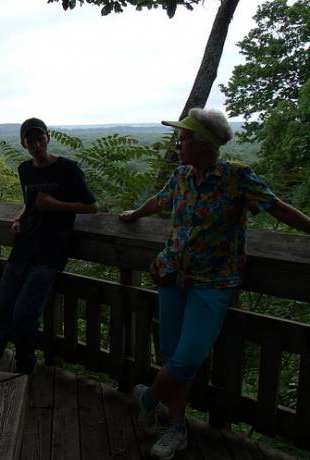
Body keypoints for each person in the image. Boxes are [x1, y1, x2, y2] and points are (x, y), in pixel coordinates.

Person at [119, 108, 310, 460]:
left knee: (189, 356)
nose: (179, 143)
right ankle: (176, 429)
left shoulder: (237, 177)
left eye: (185, 137)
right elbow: (160, 201)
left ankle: (147, 398)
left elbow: (276, 207)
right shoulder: (180, 176)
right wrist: (134, 214)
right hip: (172, 274)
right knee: (173, 355)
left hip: (214, 281)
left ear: (205, 144)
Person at [0, 117, 98, 375]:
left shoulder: (68, 169)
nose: (36, 144)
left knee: (24, 315)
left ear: (48, 138)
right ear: (24, 144)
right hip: (23, 247)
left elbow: (91, 206)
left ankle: (25, 366)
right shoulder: (25, 170)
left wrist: (56, 205)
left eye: (40, 139)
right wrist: (19, 219)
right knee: (1, 309)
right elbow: (30, 203)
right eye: (30, 141)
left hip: (51, 253)